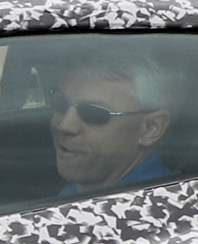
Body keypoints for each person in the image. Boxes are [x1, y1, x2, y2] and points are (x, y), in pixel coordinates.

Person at [51, 47, 175, 196]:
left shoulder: (147, 210)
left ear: (151, 128)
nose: (64, 126)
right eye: (60, 102)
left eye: (93, 113)